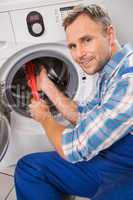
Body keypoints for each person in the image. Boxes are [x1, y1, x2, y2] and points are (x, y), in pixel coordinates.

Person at [14, 4, 133, 200]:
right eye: (72, 46)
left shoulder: (129, 83)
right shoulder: (111, 70)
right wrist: (46, 86)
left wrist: (44, 117)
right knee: (29, 169)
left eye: (86, 40)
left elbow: (75, 147)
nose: (79, 54)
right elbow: (85, 115)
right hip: (108, 160)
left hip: (128, 172)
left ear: (109, 34)